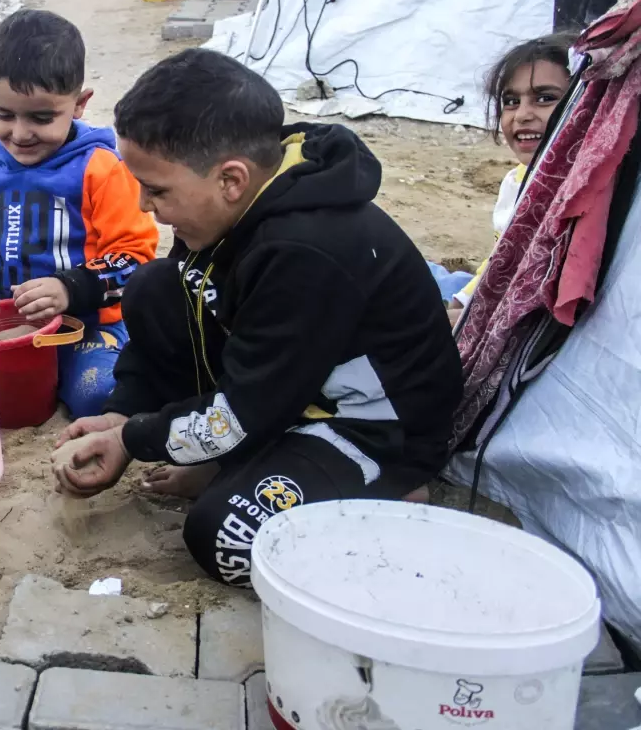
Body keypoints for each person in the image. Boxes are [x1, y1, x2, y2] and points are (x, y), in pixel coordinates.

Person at [51, 49, 463, 586]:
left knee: (225, 536)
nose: (147, 206)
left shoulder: (305, 252)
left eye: (156, 190)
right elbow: (194, 313)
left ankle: (383, 487)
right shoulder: (227, 205)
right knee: (157, 286)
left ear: (231, 179)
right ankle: (241, 462)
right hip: (285, 387)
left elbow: (240, 413)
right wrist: (123, 412)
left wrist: (134, 440)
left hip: (368, 427)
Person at [0, 9, 158, 419]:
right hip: (1, 324)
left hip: (82, 326)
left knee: (95, 394)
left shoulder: (103, 169)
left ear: (79, 104)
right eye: (4, 115)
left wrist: (70, 288)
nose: (21, 134)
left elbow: (135, 261)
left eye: (42, 118)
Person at [447, 33, 575, 324]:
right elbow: (500, 260)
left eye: (545, 98)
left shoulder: (583, 195)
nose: (522, 115)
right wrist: (463, 300)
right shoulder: (515, 181)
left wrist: (468, 320)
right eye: (511, 101)